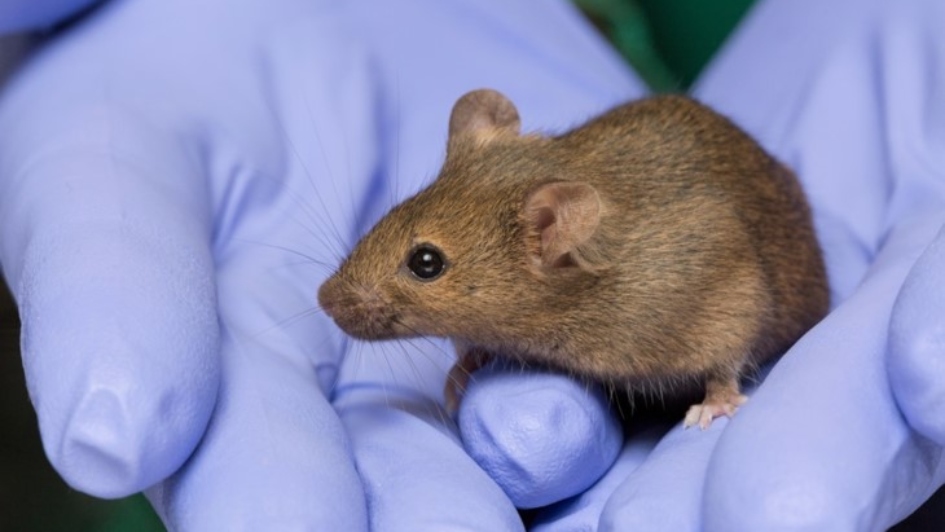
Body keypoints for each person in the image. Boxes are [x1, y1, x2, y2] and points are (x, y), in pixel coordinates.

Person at [0, 0, 942, 529]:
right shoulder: (529, 231)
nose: (347, 297)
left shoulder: (629, 298)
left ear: (551, 238)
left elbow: (732, 291)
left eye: (421, 265)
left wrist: (720, 382)